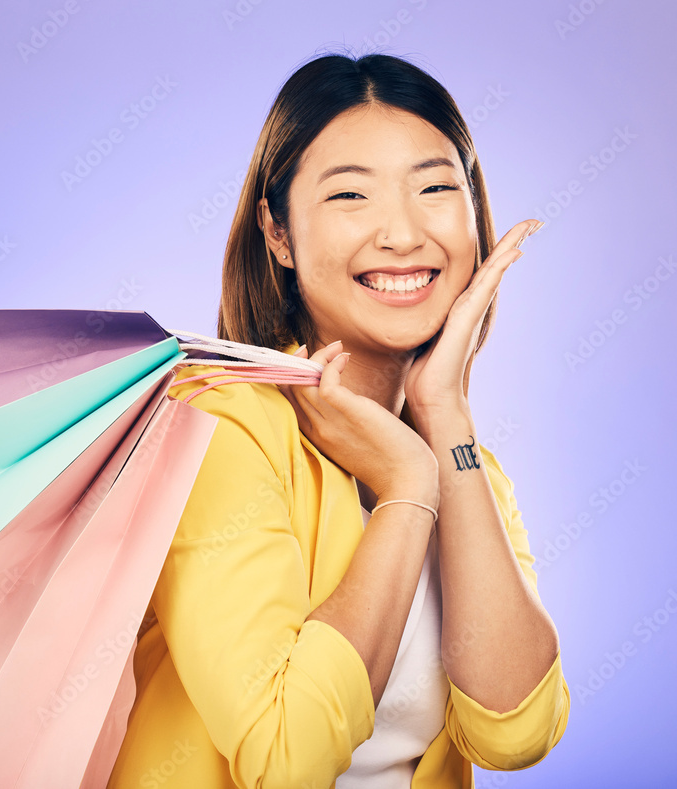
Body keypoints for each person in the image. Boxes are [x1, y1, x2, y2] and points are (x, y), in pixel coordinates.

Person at [107, 51, 569, 788]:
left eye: (436, 187)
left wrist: (444, 420)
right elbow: (285, 756)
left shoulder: (467, 463)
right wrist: (408, 489)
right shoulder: (221, 429)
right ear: (279, 234)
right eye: (352, 195)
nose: (402, 234)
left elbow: (515, 731)